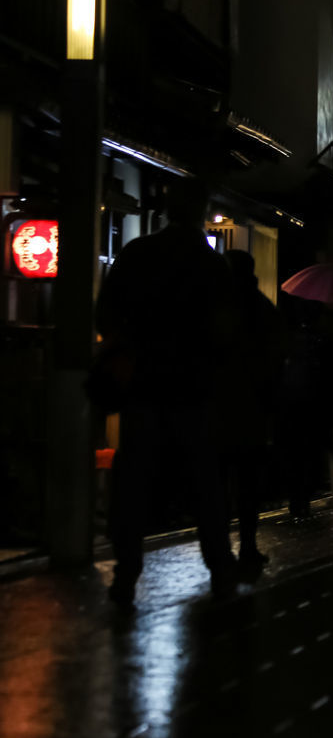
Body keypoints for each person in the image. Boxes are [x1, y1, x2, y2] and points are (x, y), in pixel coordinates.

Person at [94, 178, 239, 606]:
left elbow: (106, 314)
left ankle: (126, 572)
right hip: (194, 390)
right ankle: (219, 565)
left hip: (143, 387)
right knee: (203, 481)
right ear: (200, 212)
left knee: (134, 481)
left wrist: (125, 353)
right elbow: (226, 335)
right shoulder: (210, 265)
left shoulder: (137, 254)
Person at [221, 250, 286, 581]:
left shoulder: (213, 305)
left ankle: (218, 551)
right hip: (253, 411)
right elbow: (275, 365)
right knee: (248, 485)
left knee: (215, 482)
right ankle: (247, 544)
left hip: (214, 409)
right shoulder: (263, 309)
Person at [276, 301, 333, 518]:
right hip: (317, 410)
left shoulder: (290, 340)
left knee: (294, 455)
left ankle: (296, 498)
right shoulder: (325, 343)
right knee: (311, 456)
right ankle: (304, 497)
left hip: (292, 407)